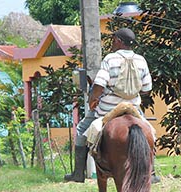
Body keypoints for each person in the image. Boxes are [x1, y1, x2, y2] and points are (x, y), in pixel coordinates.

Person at [65, 27, 152, 183]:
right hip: (133, 109)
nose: (112, 43)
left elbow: (99, 84)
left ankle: (78, 173)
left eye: (114, 40)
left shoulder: (110, 59)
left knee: (81, 130)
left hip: (108, 110)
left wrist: (93, 99)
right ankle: (151, 172)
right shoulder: (141, 60)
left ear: (118, 41)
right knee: (150, 133)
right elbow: (146, 88)